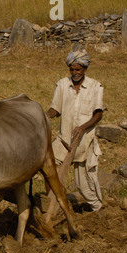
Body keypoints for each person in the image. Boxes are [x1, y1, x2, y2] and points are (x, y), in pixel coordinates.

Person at [46, 49, 104, 211]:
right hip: (64, 140)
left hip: (84, 142)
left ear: (85, 69)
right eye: (71, 69)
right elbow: (55, 109)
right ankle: (50, 204)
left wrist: (82, 127)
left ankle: (98, 209)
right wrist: (45, 115)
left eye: (78, 69)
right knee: (47, 167)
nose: (74, 72)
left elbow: (98, 114)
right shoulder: (62, 84)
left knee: (83, 186)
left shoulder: (95, 86)